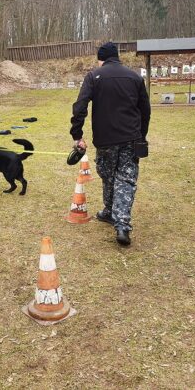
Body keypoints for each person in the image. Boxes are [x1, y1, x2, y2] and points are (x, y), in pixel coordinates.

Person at [70, 42, 150, 246]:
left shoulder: (93, 76)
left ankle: (112, 214)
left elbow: (80, 106)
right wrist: (141, 135)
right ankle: (119, 222)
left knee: (107, 175)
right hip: (131, 137)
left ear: (101, 58)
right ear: (117, 57)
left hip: (105, 140)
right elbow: (145, 110)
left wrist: (77, 135)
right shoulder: (135, 77)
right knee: (126, 179)